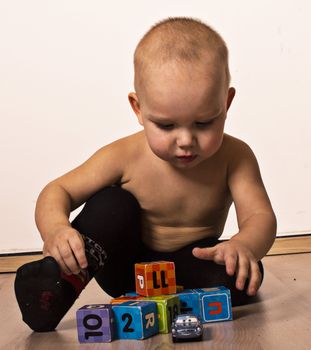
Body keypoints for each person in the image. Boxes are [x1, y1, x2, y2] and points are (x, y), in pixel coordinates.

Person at [15, 17, 277, 332]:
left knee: (241, 274)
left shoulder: (235, 157)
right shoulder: (125, 155)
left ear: (226, 103)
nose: (185, 141)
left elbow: (260, 215)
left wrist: (244, 245)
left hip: (188, 265)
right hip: (124, 264)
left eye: (204, 122)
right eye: (166, 126)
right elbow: (58, 190)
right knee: (113, 203)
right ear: (138, 109)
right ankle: (58, 286)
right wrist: (56, 229)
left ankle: (176, 304)